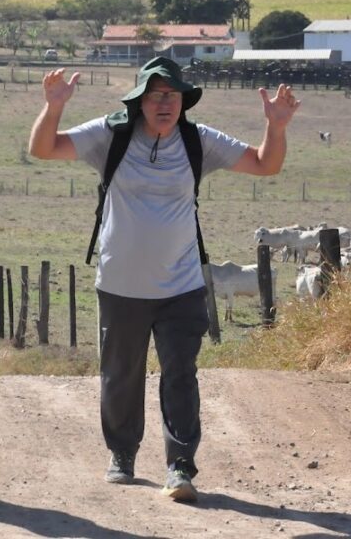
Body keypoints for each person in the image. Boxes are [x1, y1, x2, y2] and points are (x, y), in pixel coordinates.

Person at [28, 58, 299, 503]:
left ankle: (180, 466)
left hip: (182, 285)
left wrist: (277, 126)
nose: (164, 103)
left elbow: (266, 164)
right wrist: (53, 105)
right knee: (120, 376)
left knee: (180, 375)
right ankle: (122, 454)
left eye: (172, 95)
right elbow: (44, 148)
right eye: (155, 94)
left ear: (182, 101)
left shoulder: (199, 140)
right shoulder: (111, 135)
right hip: (120, 284)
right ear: (139, 99)